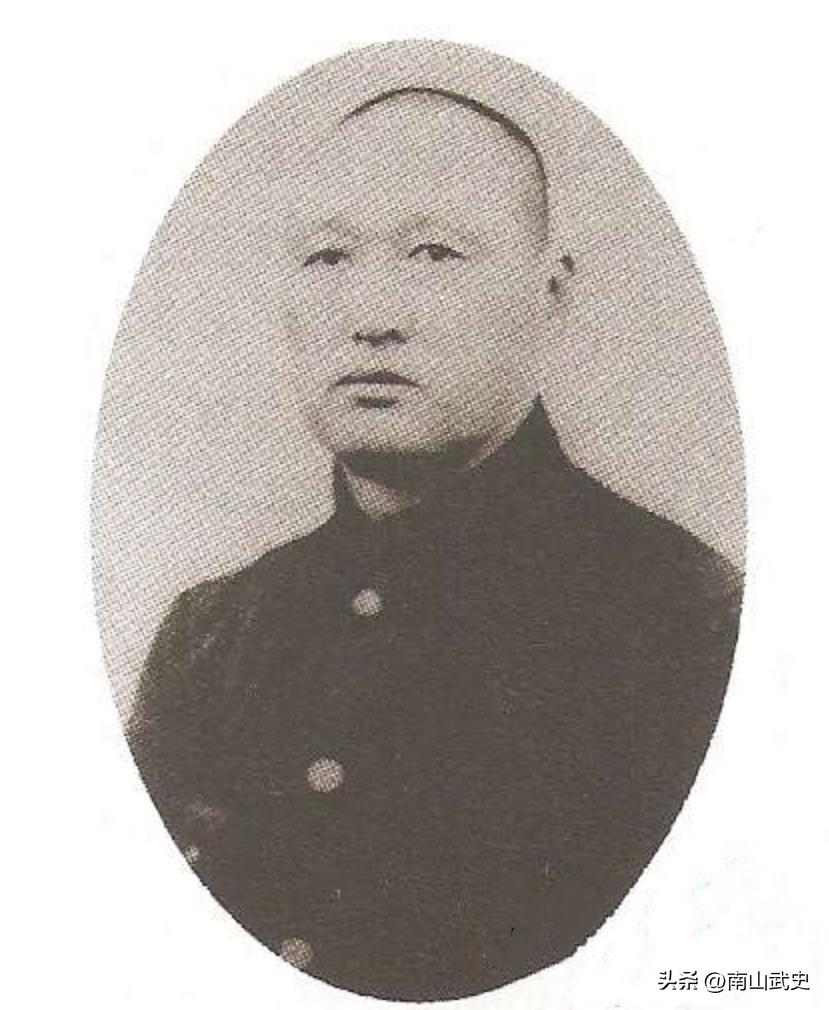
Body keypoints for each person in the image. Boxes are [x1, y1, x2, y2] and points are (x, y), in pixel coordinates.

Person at [128, 87, 742, 1000]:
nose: (370, 314)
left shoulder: (687, 624)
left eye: (434, 253)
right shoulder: (212, 637)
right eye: (326, 256)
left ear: (551, 294)